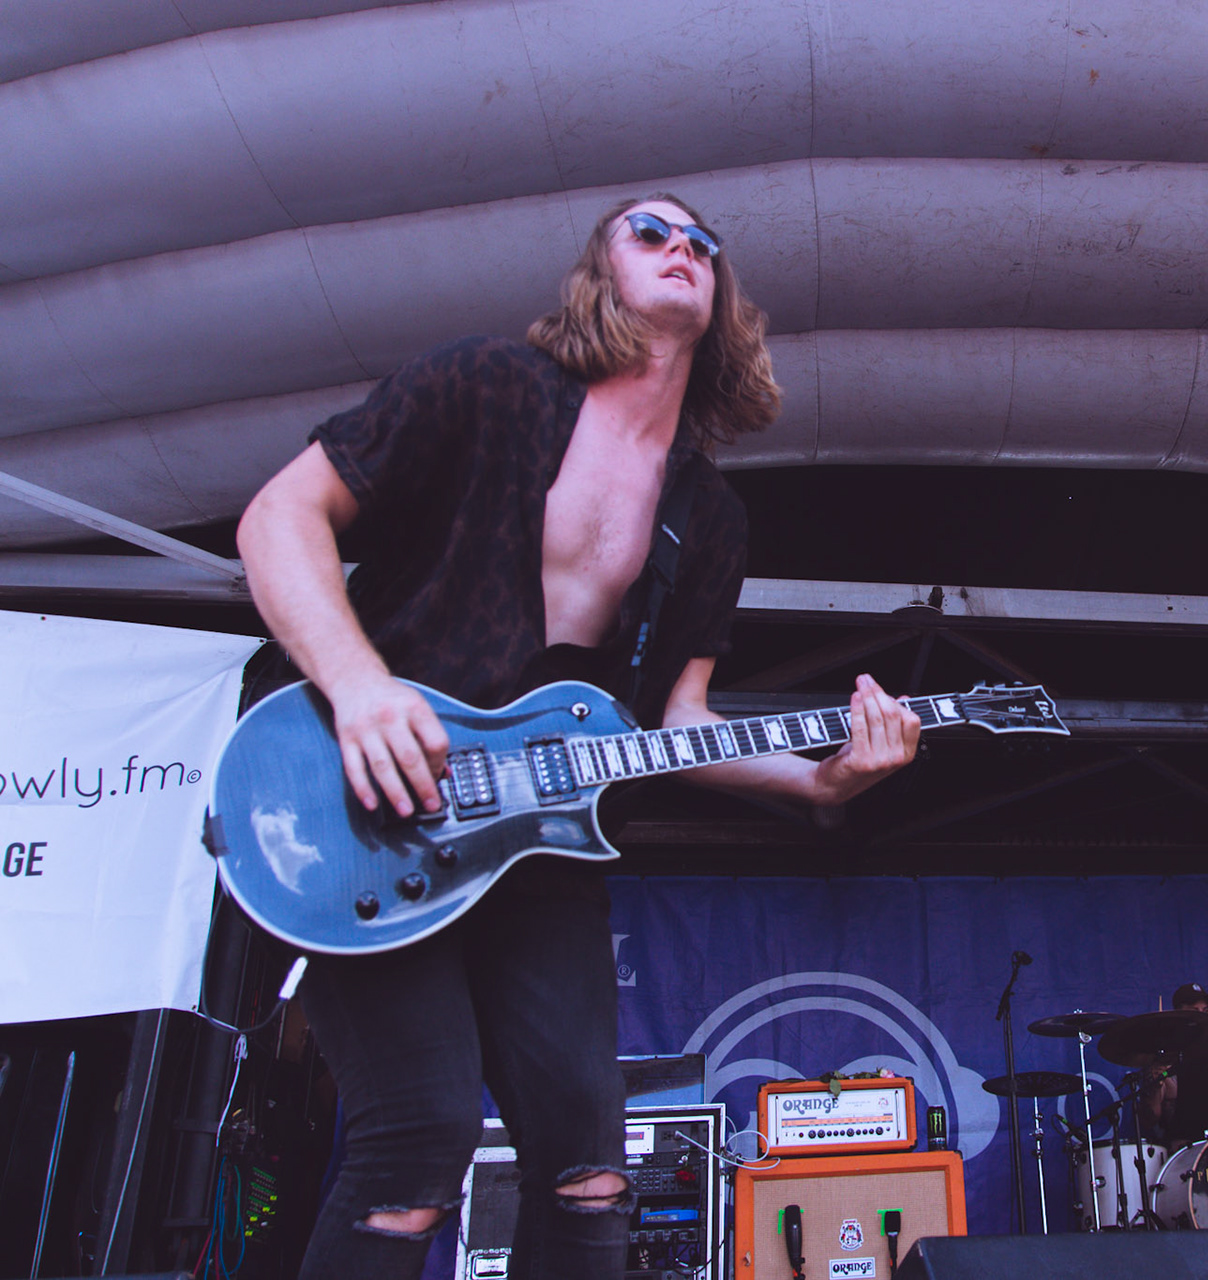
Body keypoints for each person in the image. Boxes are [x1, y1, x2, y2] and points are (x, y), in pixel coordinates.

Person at [236, 194, 921, 1280]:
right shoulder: (484, 386)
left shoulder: (709, 516)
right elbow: (279, 516)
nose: (683, 248)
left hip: (542, 841)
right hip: (369, 799)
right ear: (598, 272)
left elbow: (679, 721)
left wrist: (824, 781)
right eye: (650, 232)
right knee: (415, 1151)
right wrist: (361, 687)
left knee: (592, 1173)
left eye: (703, 244)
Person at [1137, 982, 1208, 1148]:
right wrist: (1155, 1088)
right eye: (1195, 1012)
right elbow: (1148, 1120)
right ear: (1179, 1016)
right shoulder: (1165, 1060)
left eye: (1206, 1011)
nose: (1203, 1018)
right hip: (1188, 1150)